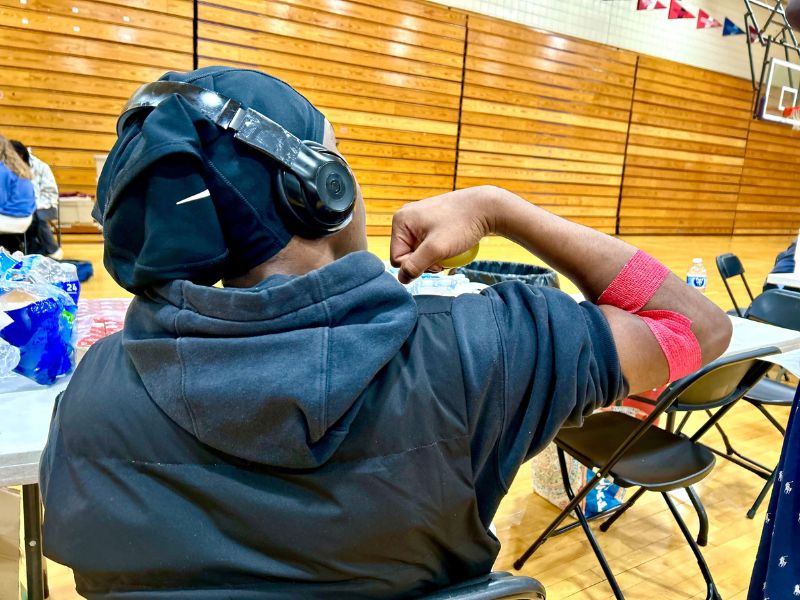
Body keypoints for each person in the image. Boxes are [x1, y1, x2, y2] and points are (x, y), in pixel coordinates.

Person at [38, 67, 731, 599]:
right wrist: (501, 209)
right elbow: (694, 327)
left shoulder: (91, 397)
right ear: (320, 192)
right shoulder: (479, 349)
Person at [10, 140, 62, 259]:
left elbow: (50, 193)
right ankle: (19, 250)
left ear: (21, 155)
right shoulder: (7, 167)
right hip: (19, 207)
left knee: (35, 217)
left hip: (44, 205)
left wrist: (31, 206)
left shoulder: (41, 167)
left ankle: (52, 250)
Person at [0, 134, 36, 252]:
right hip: (26, 218)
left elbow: (1, 201)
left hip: (9, 218)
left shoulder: (2, 169)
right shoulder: (17, 167)